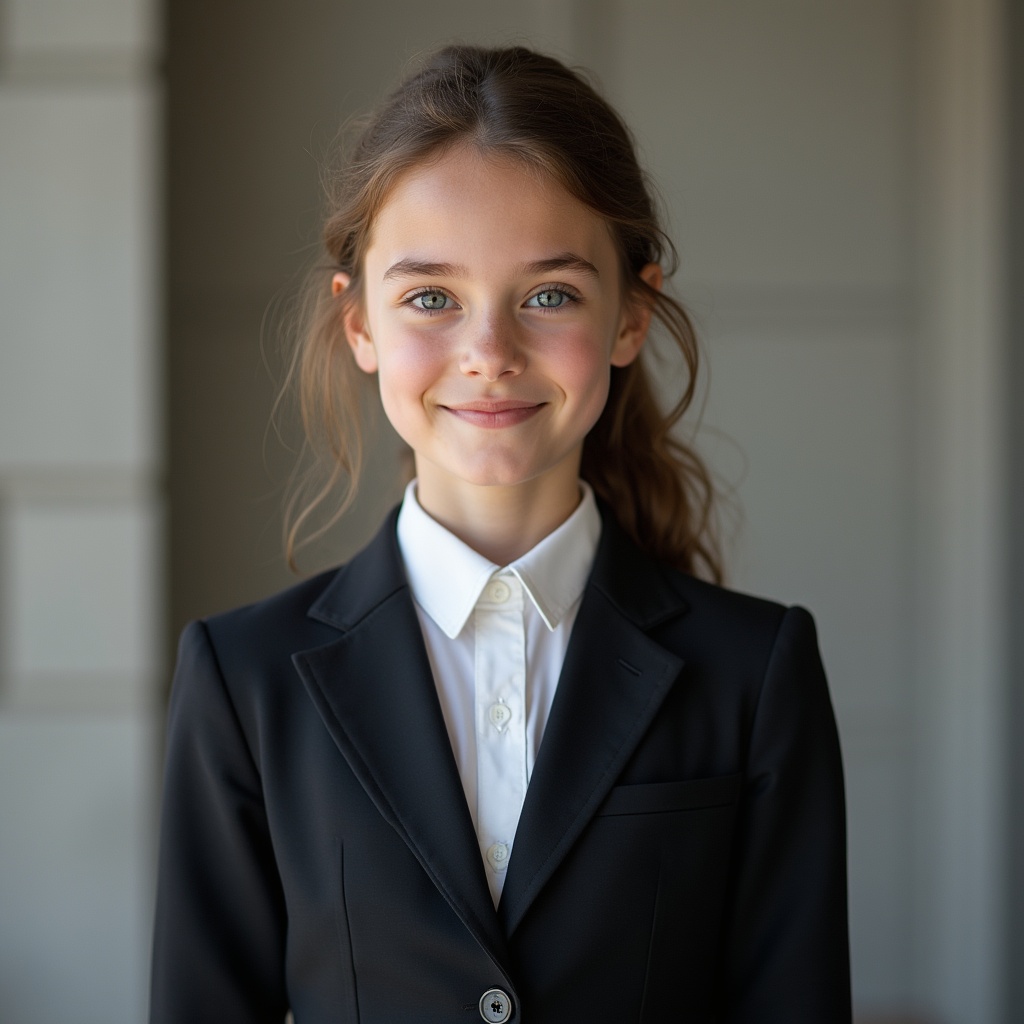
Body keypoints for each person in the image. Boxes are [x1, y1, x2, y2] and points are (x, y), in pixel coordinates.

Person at [150, 44, 851, 1024]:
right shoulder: (243, 679)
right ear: (359, 326)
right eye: (430, 297)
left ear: (630, 314)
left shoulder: (754, 671)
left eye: (549, 294)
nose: (488, 354)